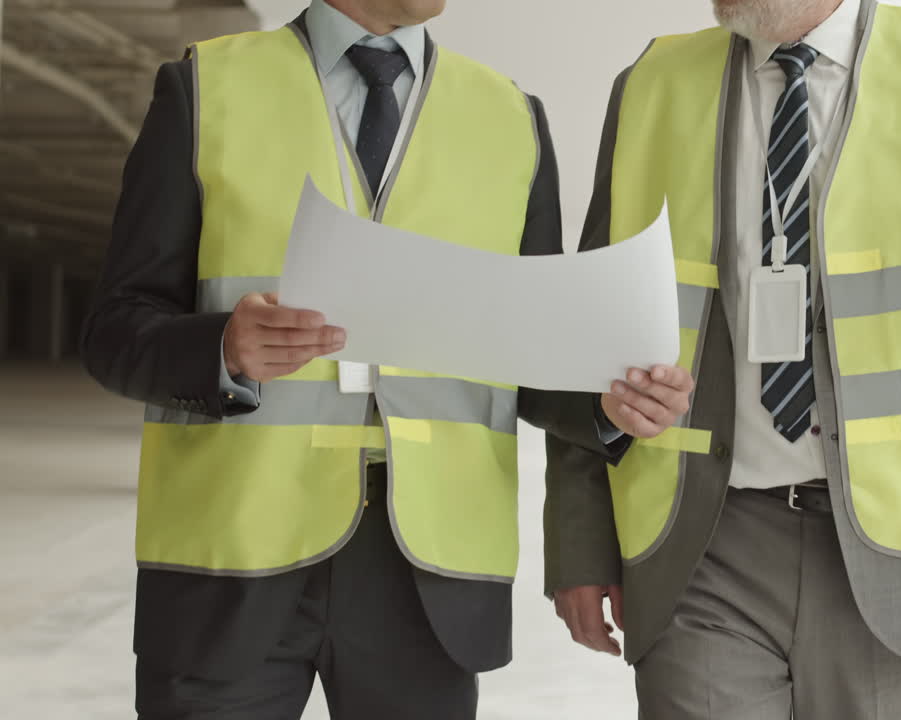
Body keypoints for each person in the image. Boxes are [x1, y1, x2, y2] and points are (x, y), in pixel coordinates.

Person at [80, 0, 693, 717]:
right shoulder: (205, 90)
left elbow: (528, 354)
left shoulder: (510, 117)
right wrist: (221, 349)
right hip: (233, 560)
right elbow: (114, 330)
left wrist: (605, 403)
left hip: (428, 578)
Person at [546, 0, 901, 717]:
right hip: (705, 538)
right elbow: (592, 333)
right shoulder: (652, 84)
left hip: (893, 548)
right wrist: (579, 543)